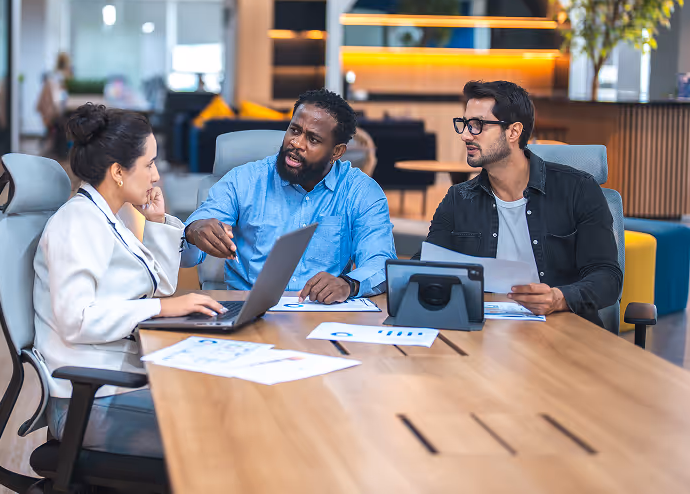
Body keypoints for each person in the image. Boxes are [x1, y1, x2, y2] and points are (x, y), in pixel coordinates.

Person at [33, 103, 224, 458]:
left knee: (218, 402)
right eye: (149, 164)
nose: (156, 176)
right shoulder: (78, 222)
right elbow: (77, 320)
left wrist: (156, 221)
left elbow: (157, 287)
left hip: (112, 383)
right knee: (214, 426)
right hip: (87, 402)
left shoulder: (108, 217)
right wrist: (164, 308)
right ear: (119, 171)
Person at [417, 80, 621, 325]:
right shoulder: (458, 198)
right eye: (464, 124)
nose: (464, 135)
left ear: (513, 132)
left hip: (561, 330)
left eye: (477, 125)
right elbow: (425, 266)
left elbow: (607, 278)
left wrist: (558, 298)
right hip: (483, 332)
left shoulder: (578, 189)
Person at [181, 89, 396, 303]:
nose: (297, 143)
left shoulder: (361, 192)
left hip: (321, 313)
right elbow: (187, 254)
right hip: (249, 309)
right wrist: (192, 231)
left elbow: (381, 261)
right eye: (294, 130)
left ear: (337, 152)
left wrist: (349, 284)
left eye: (313, 139)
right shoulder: (244, 180)